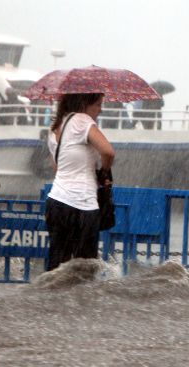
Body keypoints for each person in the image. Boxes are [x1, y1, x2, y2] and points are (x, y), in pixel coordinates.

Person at [45, 93, 115, 270]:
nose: (101, 109)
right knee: (84, 269)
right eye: (98, 104)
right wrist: (104, 171)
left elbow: (57, 168)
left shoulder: (55, 128)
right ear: (84, 103)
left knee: (57, 266)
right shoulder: (82, 120)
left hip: (56, 203)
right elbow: (108, 152)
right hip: (82, 205)